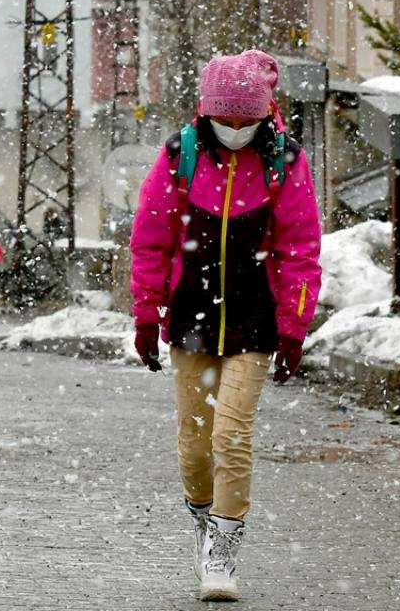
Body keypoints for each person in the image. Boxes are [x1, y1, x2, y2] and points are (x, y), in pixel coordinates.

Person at [129, 49, 322, 601]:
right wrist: (147, 310)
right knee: (194, 448)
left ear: (265, 114)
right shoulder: (180, 156)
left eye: (246, 121)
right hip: (191, 315)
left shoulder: (285, 161)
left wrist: (294, 326)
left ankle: (223, 551)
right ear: (205, 112)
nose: (235, 131)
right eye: (225, 120)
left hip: (254, 320)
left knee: (231, 436)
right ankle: (203, 516)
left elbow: (301, 249)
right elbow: (151, 237)